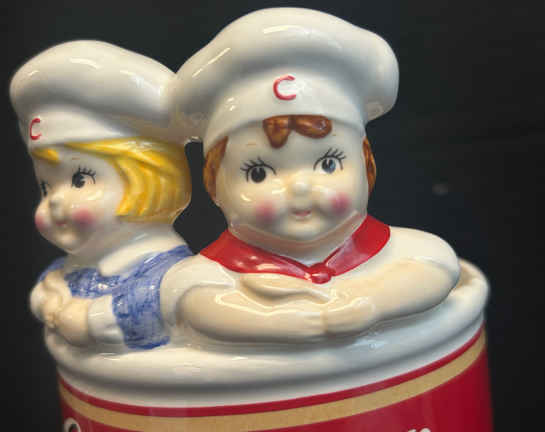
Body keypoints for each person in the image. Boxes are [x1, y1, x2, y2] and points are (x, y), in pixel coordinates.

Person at [163, 8, 460, 344]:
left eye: (328, 164)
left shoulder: (399, 253)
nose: (301, 186)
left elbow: (437, 266)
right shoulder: (212, 276)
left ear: (367, 165)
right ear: (215, 186)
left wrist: (373, 303)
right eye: (259, 173)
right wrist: (279, 322)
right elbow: (196, 305)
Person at [10, 41, 192, 350]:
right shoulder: (72, 266)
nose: (54, 200)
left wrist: (90, 319)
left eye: (80, 179)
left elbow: (149, 311)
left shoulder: (165, 273)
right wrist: (46, 297)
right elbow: (44, 290)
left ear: (147, 178)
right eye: (46, 187)